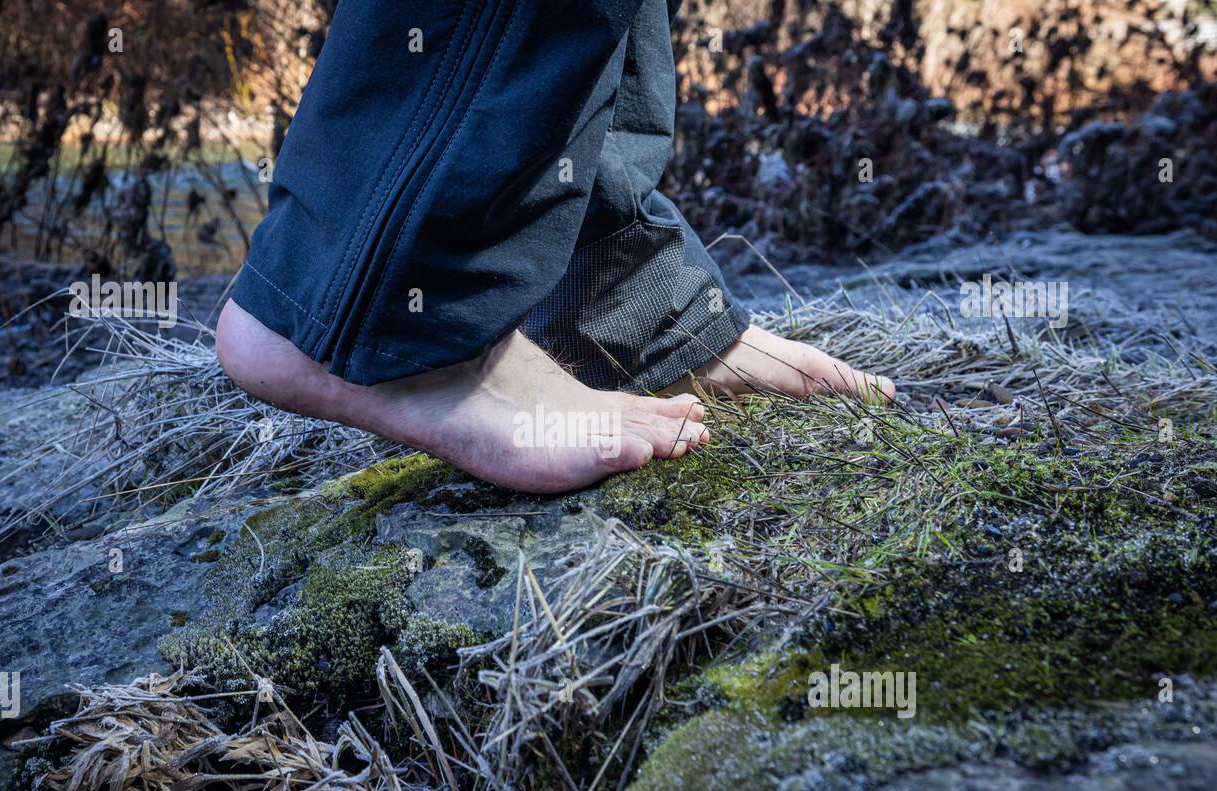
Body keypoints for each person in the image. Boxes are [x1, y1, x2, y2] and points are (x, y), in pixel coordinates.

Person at [216, 0, 894, 493]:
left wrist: (624, 294)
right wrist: (405, 296)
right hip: (380, 302)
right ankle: (381, 309)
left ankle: (609, 293)